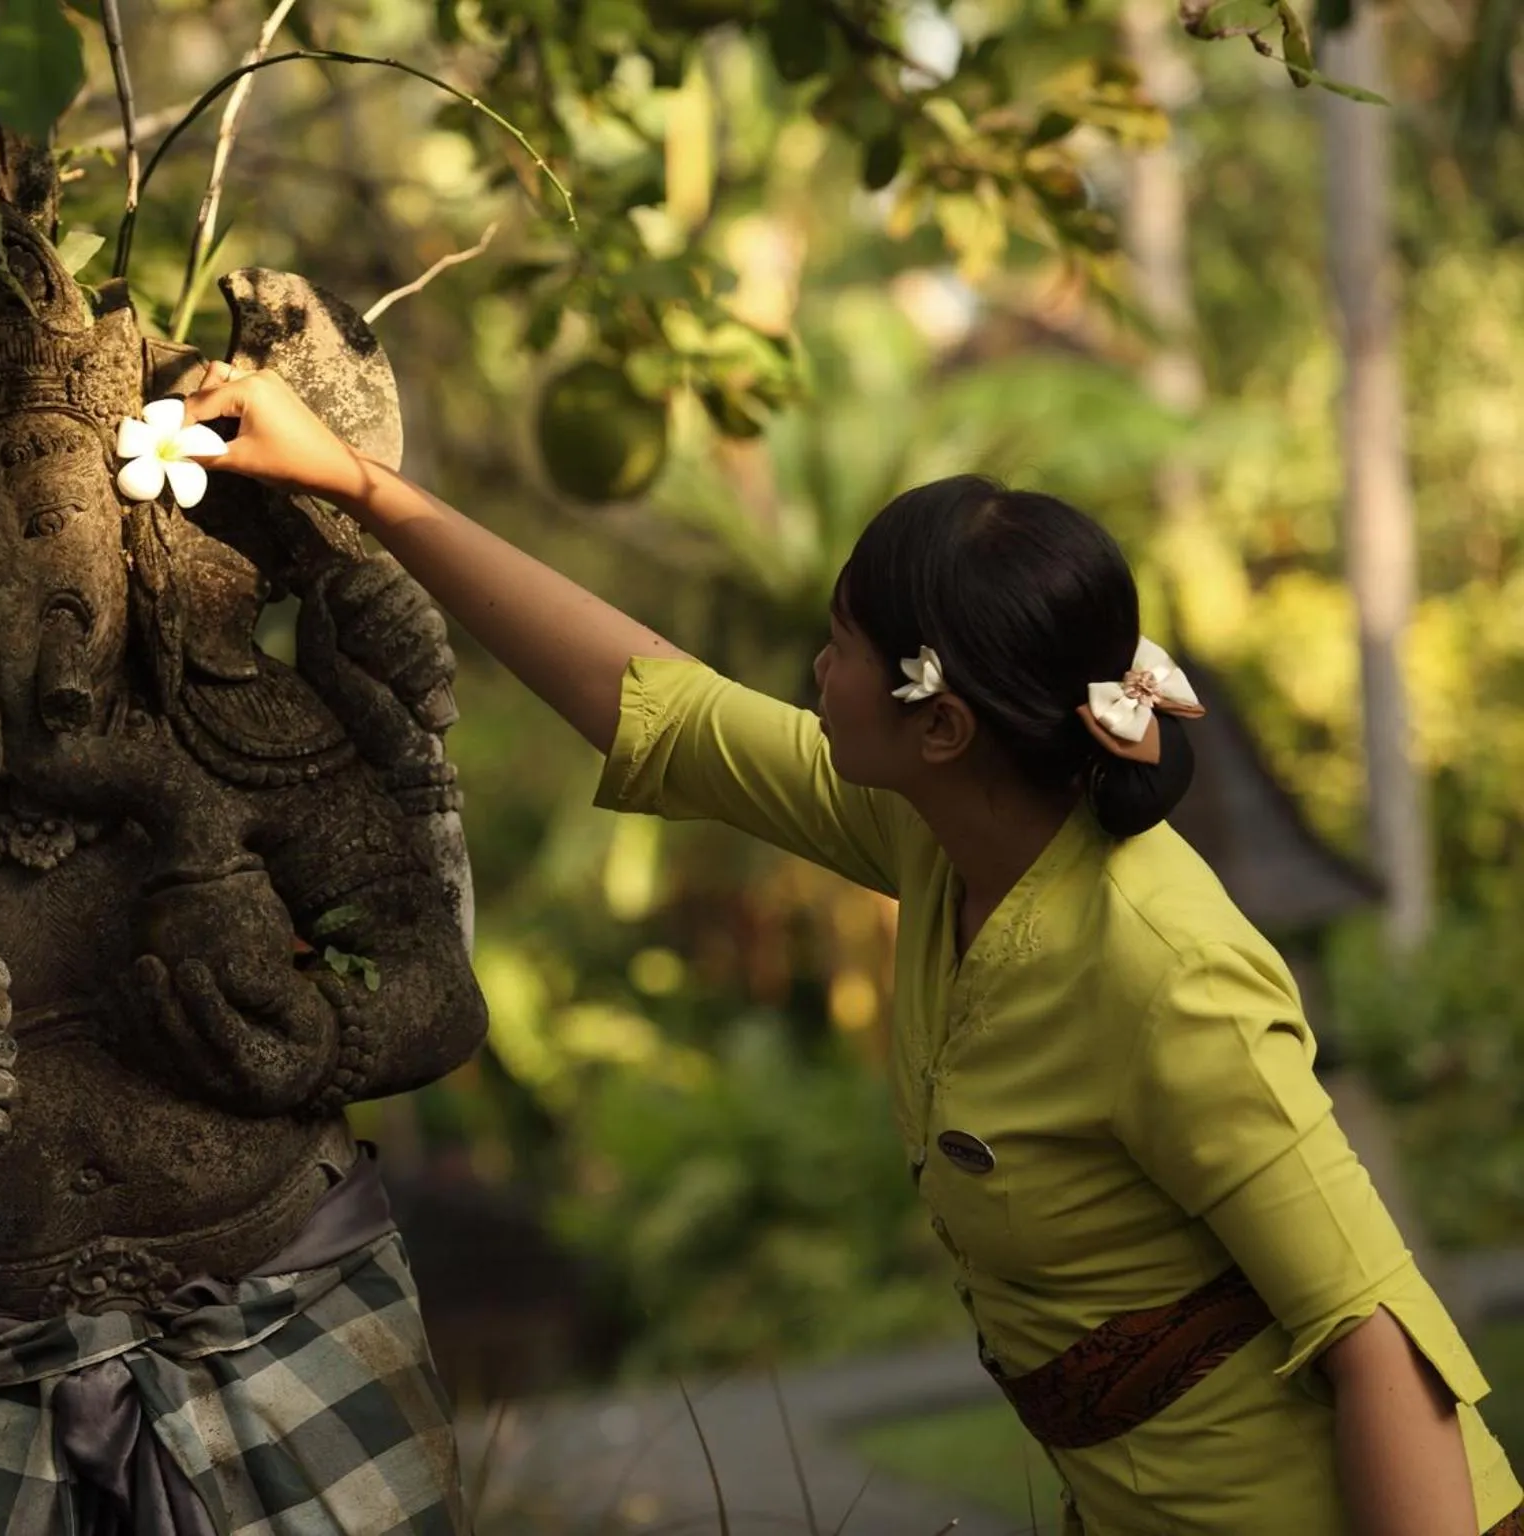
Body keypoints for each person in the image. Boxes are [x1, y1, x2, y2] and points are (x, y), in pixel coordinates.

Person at [173, 362, 1524, 1536]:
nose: (815, 674)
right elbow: (663, 710)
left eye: (839, 648)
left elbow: (1379, 1343)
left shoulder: (1166, 969)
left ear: (942, 724)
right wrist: (358, 486)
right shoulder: (947, 833)